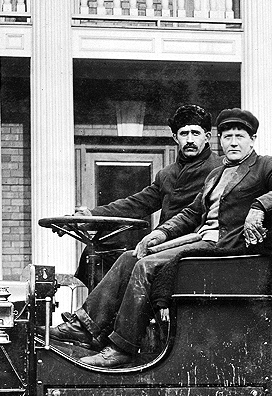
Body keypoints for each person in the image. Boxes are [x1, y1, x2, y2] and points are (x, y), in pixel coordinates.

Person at [49, 108, 272, 369]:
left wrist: (259, 206)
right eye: (227, 136)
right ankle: (86, 327)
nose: (233, 142)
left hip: (227, 247)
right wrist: (160, 233)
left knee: (146, 266)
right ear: (219, 140)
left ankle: (122, 349)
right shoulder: (218, 173)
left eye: (240, 136)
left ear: (252, 140)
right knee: (130, 257)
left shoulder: (266, 165)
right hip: (202, 238)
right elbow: (192, 213)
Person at [72, 104, 223, 285]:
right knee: (98, 251)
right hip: (163, 241)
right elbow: (137, 203)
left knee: (131, 260)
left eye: (195, 133)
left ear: (207, 137)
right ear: (175, 138)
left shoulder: (219, 169)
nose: (190, 139)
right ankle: (98, 312)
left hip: (193, 244)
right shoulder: (167, 174)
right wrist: (92, 215)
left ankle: (94, 312)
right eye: (184, 134)